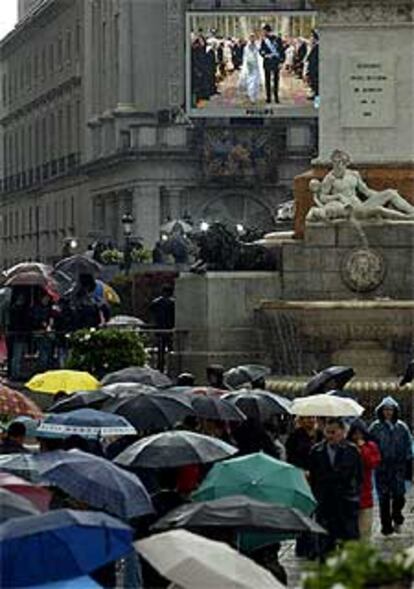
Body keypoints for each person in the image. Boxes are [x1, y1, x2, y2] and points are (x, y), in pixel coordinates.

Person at [307, 150, 414, 223]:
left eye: (340, 162)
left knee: (390, 192)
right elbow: (322, 197)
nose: (337, 165)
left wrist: (381, 196)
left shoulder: (354, 174)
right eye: (334, 162)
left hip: (361, 205)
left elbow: (365, 191)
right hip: (349, 209)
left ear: (346, 163)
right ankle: (406, 218)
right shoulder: (329, 178)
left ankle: (412, 212)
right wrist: (337, 196)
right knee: (379, 209)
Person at [308, 418, 363, 557]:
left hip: (346, 502)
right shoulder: (316, 451)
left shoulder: (352, 451)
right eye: (327, 432)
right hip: (325, 504)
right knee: (325, 546)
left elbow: (359, 476)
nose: (330, 436)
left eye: (333, 432)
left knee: (350, 545)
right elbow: (313, 478)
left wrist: (354, 495)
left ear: (342, 432)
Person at [369, 396, 412, 535]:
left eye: (391, 409)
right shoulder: (375, 427)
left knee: (399, 495)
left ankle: (397, 516)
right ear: (381, 411)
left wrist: (408, 460)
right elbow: (370, 444)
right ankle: (386, 526)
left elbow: (408, 445)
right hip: (382, 468)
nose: (388, 412)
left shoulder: (402, 427)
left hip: (398, 467)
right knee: (384, 497)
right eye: (386, 409)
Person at [347, 420, 381, 539]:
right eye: (355, 434)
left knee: (365, 528)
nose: (357, 437)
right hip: (349, 492)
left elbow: (372, 463)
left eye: (360, 433)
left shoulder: (370, 446)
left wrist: (362, 449)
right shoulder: (347, 447)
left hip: (365, 492)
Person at [149, 284, 175, 372]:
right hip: (169, 329)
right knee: (171, 349)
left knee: (161, 350)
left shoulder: (156, 302)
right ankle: (172, 367)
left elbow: (151, 310)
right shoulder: (172, 303)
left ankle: (160, 367)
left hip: (159, 329)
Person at [259, 24, 285, 104]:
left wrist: (281, 61)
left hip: (275, 62)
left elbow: (281, 50)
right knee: (267, 80)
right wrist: (264, 54)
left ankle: (276, 97)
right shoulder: (264, 40)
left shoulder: (278, 39)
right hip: (267, 62)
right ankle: (268, 97)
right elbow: (261, 50)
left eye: (264, 31)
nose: (263, 32)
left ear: (267, 31)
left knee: (276, 80)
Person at [238, 33, 262, 104]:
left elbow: (259, 56)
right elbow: (244, 57)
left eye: (253, 37)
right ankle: (251, 96)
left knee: (255, 82)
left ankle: (254, 96)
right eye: (251, 37)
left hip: (256, 66)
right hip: (249, 66)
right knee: (250, 82)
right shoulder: (246, 47)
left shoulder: (257, 46)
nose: (252, 39)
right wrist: (245, 65)